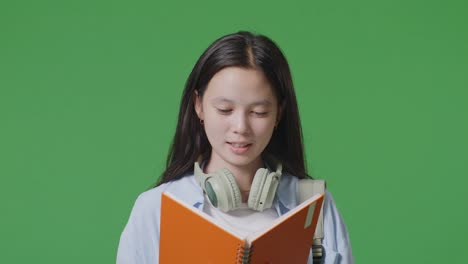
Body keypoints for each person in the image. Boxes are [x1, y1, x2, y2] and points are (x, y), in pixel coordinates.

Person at [117, 31, 353, 263]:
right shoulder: (155, 209)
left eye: (258, 112)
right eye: (225, 110)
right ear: (199, 105)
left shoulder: (314, 208)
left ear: (279, 112)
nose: (241, 127)